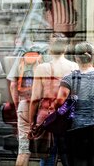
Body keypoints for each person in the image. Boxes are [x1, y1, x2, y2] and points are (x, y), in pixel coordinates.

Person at [29, 33, 78, 166]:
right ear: (66, 48)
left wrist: (32, 122)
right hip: (67, 118)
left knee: (47, 159)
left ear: (50, 48)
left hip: (46, 119)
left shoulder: (41, 68)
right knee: (68, 158)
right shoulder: (74, 67)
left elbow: (34, 99)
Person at [54, 41, 94, 166]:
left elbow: (60, 101)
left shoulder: (69, 78)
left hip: (77, 127)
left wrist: (55, 106)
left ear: (76, 58)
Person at [7, 44, 46, 166]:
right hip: (41, 109)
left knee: (23, 150)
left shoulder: (21, 60)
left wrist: (18, 104)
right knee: (45, 148)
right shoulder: (44, 60)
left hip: (24, 106)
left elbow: (13, 85)